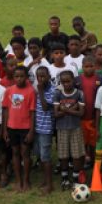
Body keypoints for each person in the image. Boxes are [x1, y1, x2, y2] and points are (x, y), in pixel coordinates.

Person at [2, 66, 36, 192]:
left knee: (25, 153)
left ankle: (26, 179)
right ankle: (18, 180)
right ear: (13, 77)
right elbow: (5, 110)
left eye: (22, 76)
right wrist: (5, 129)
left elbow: (33, 112)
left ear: (26, 77)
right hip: (12, 127)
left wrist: (32, 130)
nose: (19, 79)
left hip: (25, 128)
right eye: (16, 76)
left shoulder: (31, 91)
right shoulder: (9, 91)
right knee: (15, 153)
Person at [52, 70, 85, 190]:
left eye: (68, 81)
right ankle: (64, 178)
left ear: (73, 81)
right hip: (61, 128)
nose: (66, 84)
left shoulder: (79, 93)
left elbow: (81, 113)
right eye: (63, 82)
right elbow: (55, 114)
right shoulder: (57, 93)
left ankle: (75, 178)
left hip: (75, 128)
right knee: (63, 155)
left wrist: (64, 109)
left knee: (76, 155)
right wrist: (73, 108)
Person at [34, 66, 55, 194]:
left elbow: (46, 107)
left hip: (46, 128)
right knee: (40, 156)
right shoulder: (37, 89)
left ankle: (50, 184)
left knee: (46, 157)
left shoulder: (53, 90)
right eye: (38, 76)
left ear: (48, 76)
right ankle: (44, 180)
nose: (40, 79)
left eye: (43, 76)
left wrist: (41, 92)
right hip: (36, 127)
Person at [78, 58, 101, 168]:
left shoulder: (99, 79)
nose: (89, 69)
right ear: (82, 68)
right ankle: (83, 161)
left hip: (93, 117)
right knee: (83, 142)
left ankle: (92, 160)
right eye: (86, 67)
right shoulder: (77, 80)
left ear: (95, 67)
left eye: (91, 66)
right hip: (81, 117)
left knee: (92, 142)